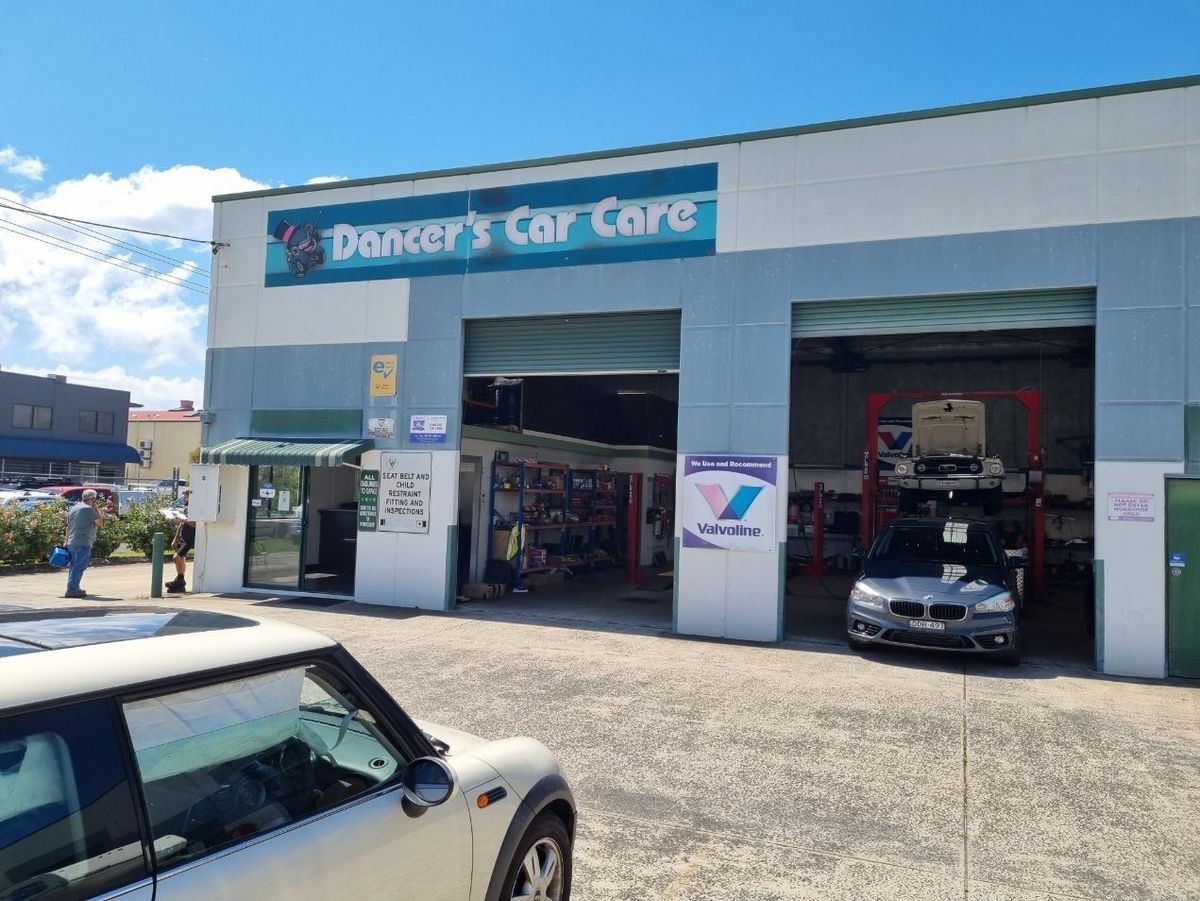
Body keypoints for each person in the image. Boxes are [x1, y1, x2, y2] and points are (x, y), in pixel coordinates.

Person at [63, 488, 115, 598]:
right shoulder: (88, 509)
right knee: (79, 566)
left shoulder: (74, 508)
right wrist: (96, 509)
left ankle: (72, 587)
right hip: (83, 541)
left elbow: (68, 526)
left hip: (72, 541)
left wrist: (66, 541)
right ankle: (72, 589)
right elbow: (100, 522)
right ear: (93, 499)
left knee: (74, 566)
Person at [166, 489, 195, 593]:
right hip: (183, 537)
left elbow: (195, 525)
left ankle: (180, 579)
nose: (185, 497)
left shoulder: (195, 508)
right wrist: (175, 538)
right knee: (181, 557)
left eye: (187, 495)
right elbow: (181, 524)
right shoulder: (186, 507)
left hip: (190, 537)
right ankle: (180, 581)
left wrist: (183, 520)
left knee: (177, 557)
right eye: (184, 495)